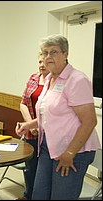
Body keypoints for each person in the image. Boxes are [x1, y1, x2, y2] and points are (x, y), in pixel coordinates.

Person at [15, 34, 101, 200]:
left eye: (54, 52)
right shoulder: (49, 79)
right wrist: (30, 125)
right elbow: (49, 113)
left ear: (65, 54)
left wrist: (70, 153)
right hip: (48, 146)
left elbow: (90, 121)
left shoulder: (76, 80)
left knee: (61, 196)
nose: (48, 57)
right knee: (39, 194)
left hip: (73, 150)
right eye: (45, 52)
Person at [16, 52, 50, 200]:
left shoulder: (56, 82)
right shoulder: (33, 78)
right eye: (39, 62)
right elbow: (23, 102)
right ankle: (28, 195)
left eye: (44, 62)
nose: (41, 65)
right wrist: (30, 125)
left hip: (49, 133)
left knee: (44, 170)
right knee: (30, 167)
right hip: (31, 132)